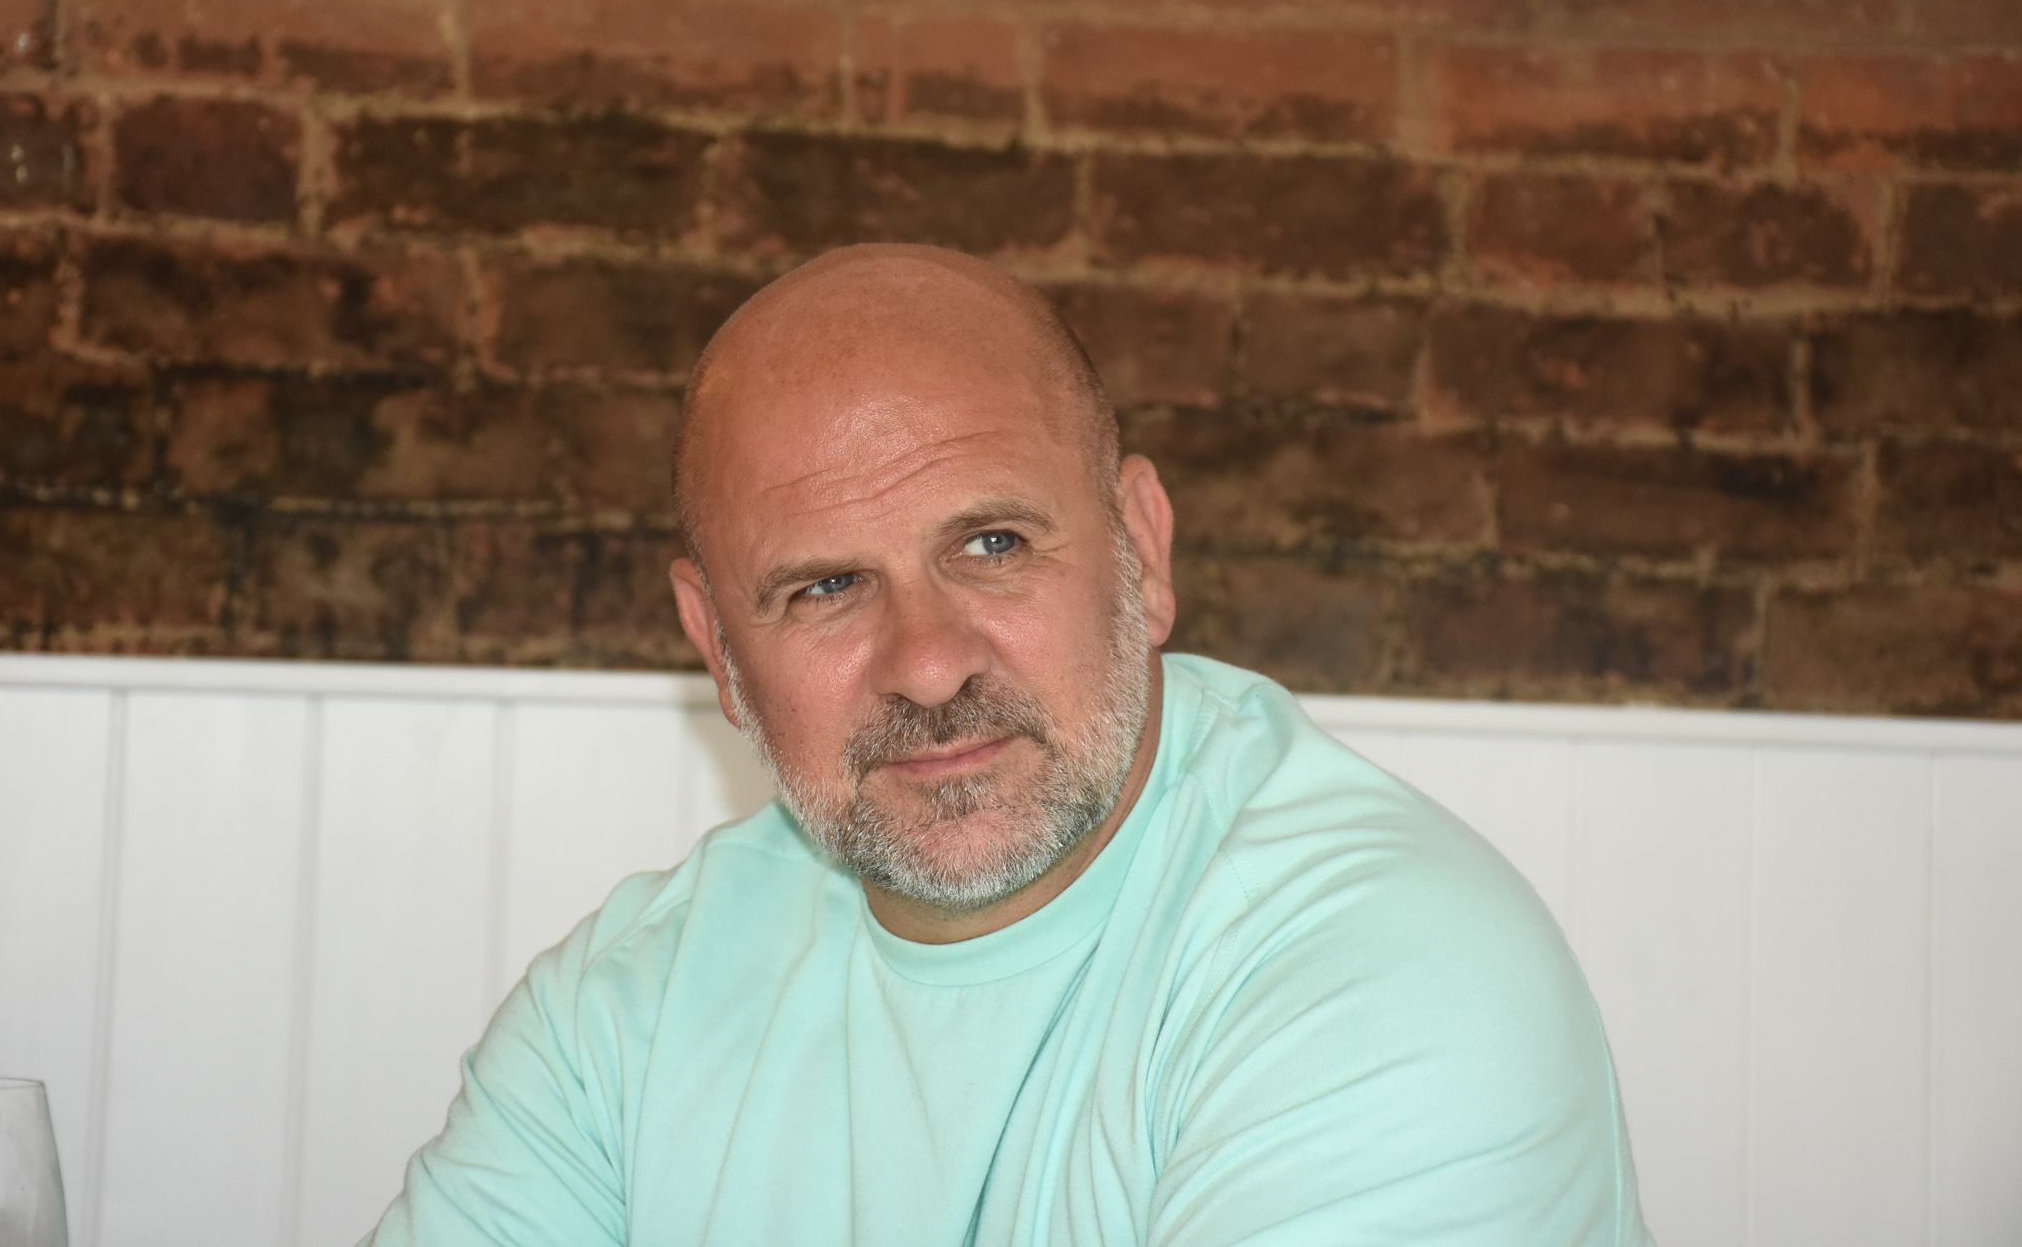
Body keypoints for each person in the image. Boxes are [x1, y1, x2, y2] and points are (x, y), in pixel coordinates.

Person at [363, 244, 1652, 1246]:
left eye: (993, 546)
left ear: (1140, 550)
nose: (928, 662)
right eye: (823, 589)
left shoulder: (1382, 969)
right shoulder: (617, 1024)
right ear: (717, 649)